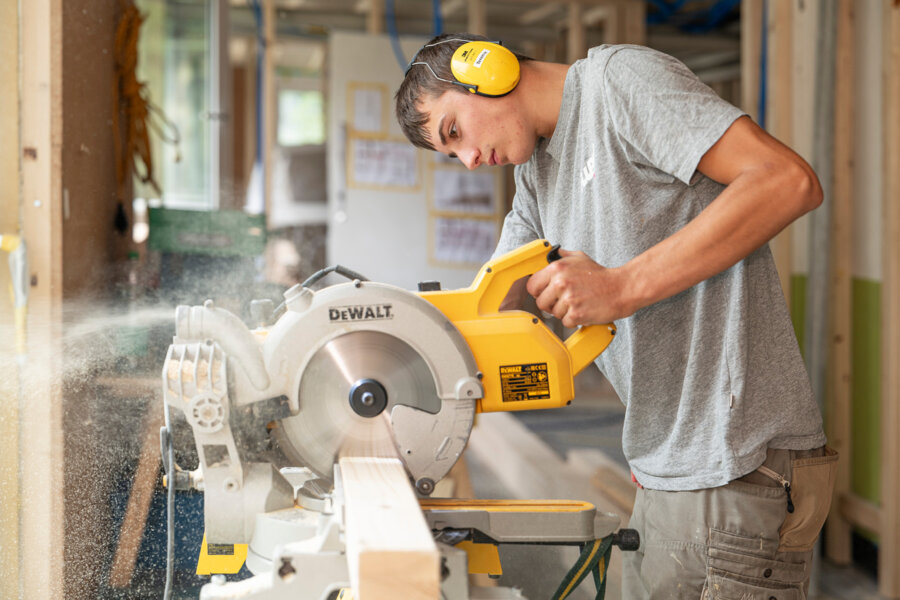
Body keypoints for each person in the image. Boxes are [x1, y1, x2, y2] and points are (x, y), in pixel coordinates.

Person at [396, 33, 838, 599]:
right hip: (665, 465)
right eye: (451, 153)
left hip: (732, 462)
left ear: (486, 69)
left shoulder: (619, 83)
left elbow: (786, 181)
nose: (469, 159)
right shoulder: (537, 174)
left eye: (454, 131)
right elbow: (488, 304)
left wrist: (621, 286)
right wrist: (399, 358)